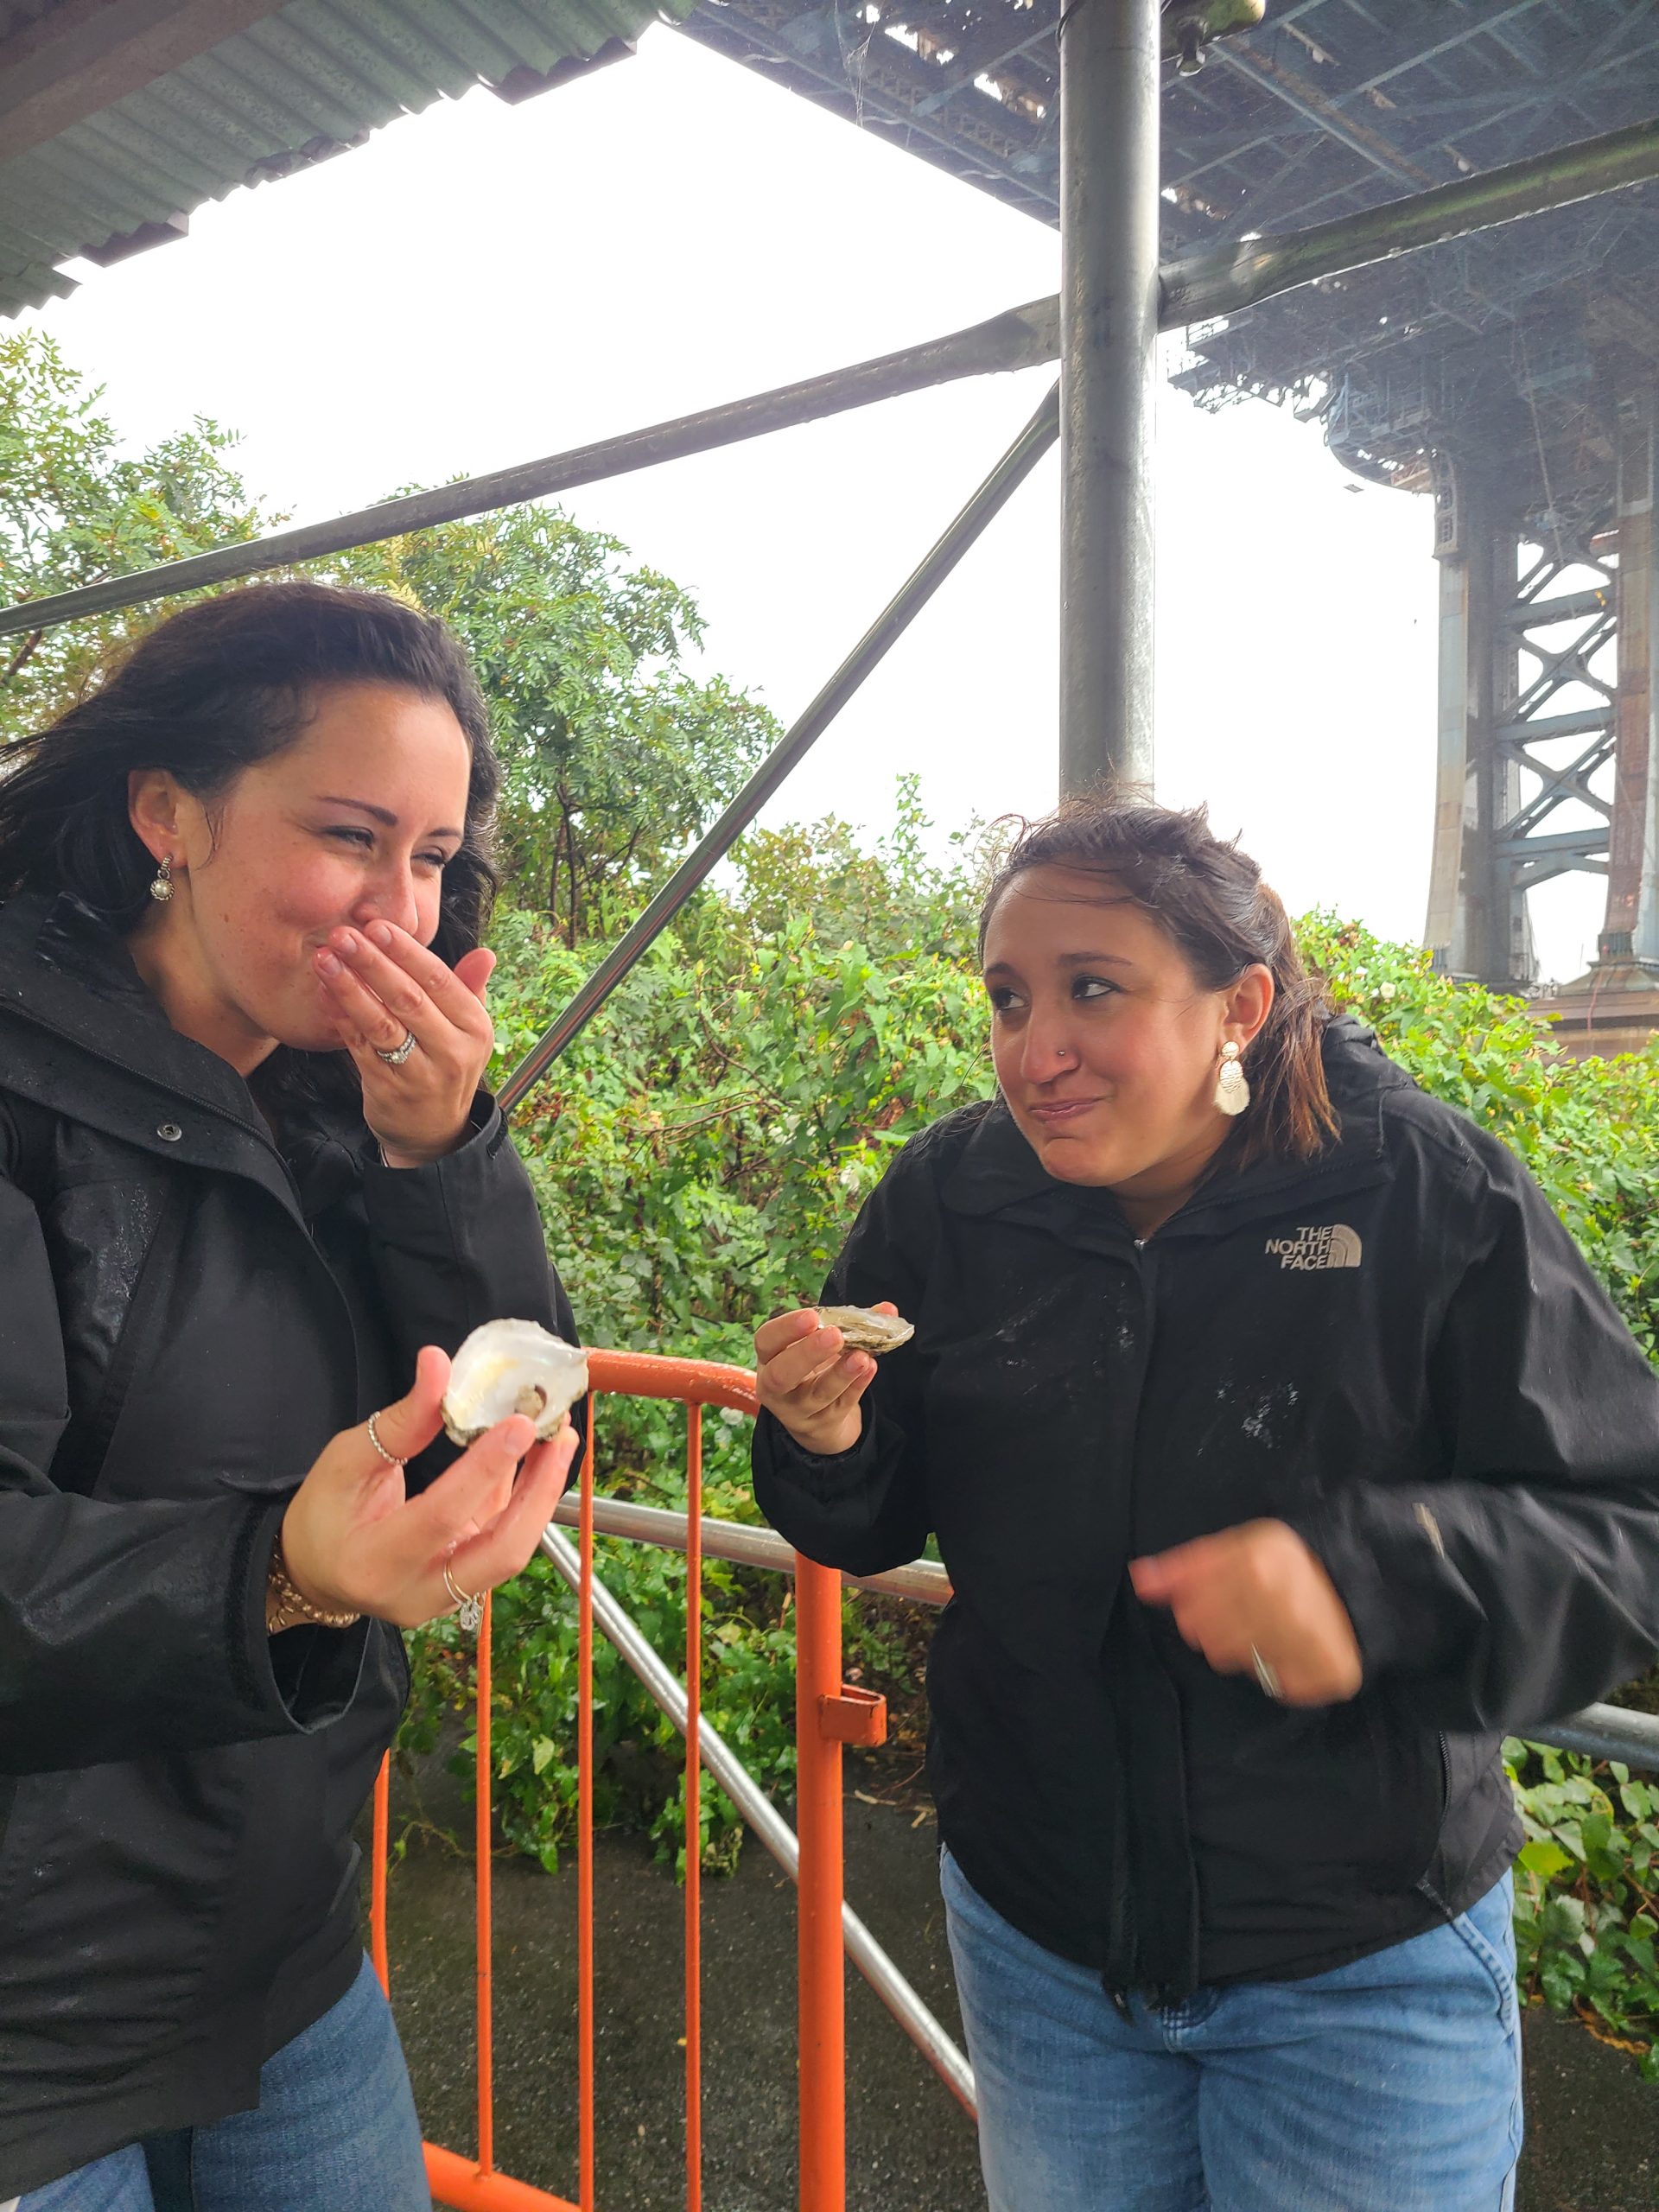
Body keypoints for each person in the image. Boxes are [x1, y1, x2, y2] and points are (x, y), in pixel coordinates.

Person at [751, 797, 1659, 2212]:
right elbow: (869, 1520)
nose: (1033, 1053)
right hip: (1040, 1936)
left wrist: (1372, 1578)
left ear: (1237, 1004)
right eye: (1007, 998)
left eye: (1091, 991)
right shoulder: (952, 1200)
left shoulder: (1419, 1188)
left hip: (1359, 1968)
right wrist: (825, 1436)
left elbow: (1626, 1528)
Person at [0, 583, 581, 2210]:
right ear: (166, 811)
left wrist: (443, 1153)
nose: (397, 909)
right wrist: (282, 1574)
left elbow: (515, 1417)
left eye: (433, 859)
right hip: (27, 2032)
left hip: (281, 1957)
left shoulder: (349, 1105)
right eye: (349, 837)